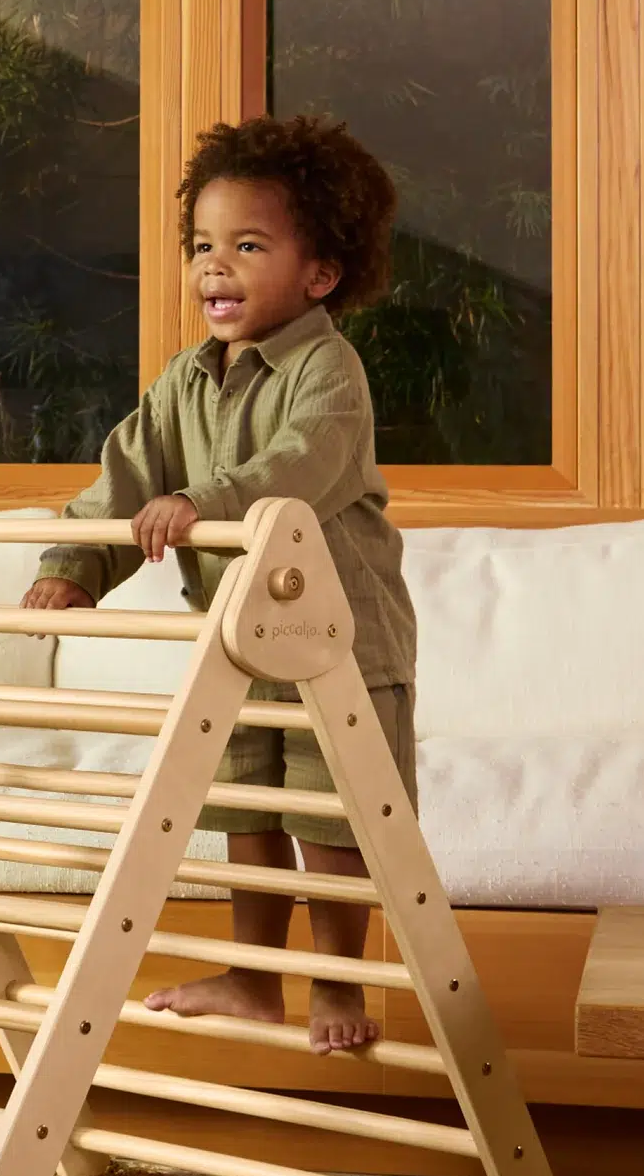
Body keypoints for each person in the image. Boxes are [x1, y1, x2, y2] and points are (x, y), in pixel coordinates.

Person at [22, 114, 417, 1054]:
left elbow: (300, 469)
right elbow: (124, 475)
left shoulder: (328, 370)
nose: (216, 268)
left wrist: (201, 502)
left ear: (319, 274)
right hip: (238, 643)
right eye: (204, 245)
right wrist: (75, 567)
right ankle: (251, 977)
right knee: (245, 807)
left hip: (338, 643)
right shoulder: (182, 383)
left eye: (249, 246)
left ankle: (335, 982)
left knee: (329, 815)